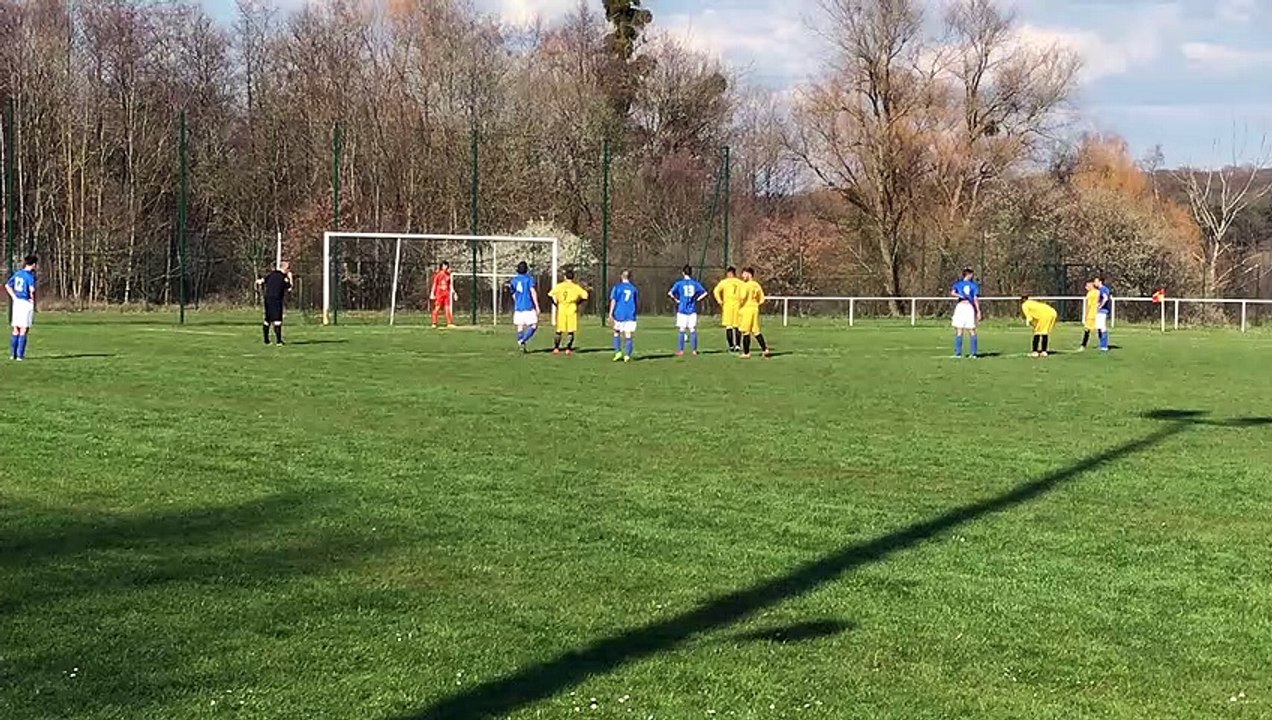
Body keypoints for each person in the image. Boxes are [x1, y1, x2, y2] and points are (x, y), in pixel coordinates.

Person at [668, 266, 708, 356]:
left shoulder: (679, 283)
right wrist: (697, 299)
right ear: (691, 273)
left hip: (682, 309)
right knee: (692, 329)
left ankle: (681, 350)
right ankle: (694, 350)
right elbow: (705, 292)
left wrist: (676, 299)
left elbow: (670, 293)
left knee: (682, 330)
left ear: (683, 273)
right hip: (692, 309)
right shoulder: (695, 283)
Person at [548, 268, 589, 355]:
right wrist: (577, 303)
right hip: (572, 308)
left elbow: (550, 294)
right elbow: (585, 296)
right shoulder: (576, 287)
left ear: (565, 277)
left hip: (561, 307)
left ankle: (556, 348)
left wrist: (555, 304)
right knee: (571, 330)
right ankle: (568, 349)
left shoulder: (560, 286)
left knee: (559, 330)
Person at [5, 255, 38, 361]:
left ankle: (12, 355)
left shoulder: (18, 273)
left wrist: (14, 297)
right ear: (33, 264)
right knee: (24, 329)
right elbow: (32, 290)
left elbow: (7, 285)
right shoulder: (30, 276)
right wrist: (33, 302)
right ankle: (20, 355)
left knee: (16, 329)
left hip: (17, 302)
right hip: (25, 303)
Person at [736, 267, 770, 359]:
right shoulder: (757, 285)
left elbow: (742, 297)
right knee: (756, 330)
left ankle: (746, 353)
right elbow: (762, 299)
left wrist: (739, 303)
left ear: (749, 274)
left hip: (746, 309)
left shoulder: (746, 285)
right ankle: (765, 349)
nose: (742, 276)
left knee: (745, 331)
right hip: (755, 309)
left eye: (744, 274)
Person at [255, 261, 292, 345]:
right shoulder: (283, 277)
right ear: (286, 268)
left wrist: (259, 281)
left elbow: (263, 280)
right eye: (288, 268)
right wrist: (290, 278)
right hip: (276, 299)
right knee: (277, 320)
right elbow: (289, 287)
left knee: (267, 318)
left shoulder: (272, 274)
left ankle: (266, 340)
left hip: (268, 299)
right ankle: (279, 341)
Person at [950, 267, 981, 358]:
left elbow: (953, 293)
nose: (972, 276)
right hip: (962, 307)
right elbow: (953, 293)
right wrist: (978, 310)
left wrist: (978, 310)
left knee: (970, 329)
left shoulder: (971, 285)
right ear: (968, 275)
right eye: (971, 275)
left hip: (967, 307)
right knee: (959, 329)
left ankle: (973, 353)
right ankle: (958, 353)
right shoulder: (962, 284)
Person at [510, 261, 540, 352]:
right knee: (534, 325)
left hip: (518, 307)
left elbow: (513, 293)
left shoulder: (513, 281)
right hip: (528, 306)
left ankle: (521, 341)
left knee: (520, 326)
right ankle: (523, 340)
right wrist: (537, 306)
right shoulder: (529, 279)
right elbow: (532, 292)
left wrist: (517, 302)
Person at [609, 269, 639, 362]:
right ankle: (627, 355)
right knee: (628, 334)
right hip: (630, 313)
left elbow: (613, 300)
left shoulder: (617, 287)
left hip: (619, 313)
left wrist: (610, 313)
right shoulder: (634, 288)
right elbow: (636, 302)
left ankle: (618, 352)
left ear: (621, 276)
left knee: (616, 332)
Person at [712, 267, 744, 352]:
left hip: (728, 305)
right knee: (736, 326)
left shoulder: (724, 282)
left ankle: (731, 345)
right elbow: (745, 292)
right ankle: (737, 345)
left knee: (729, 326)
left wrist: (720, 301)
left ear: (729, 273)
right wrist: (742, 301)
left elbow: (716, 291)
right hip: (737, 305)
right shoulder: (740, 283)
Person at [430, 261, 455, 328]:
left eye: (446, 266)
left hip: (446, 293)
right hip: (439, 293)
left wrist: (453, 292)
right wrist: (432, 293)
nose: (445, 267)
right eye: (444, 266)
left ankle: (449, 323)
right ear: (441, 266)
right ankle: (434, 323)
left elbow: (450, 285)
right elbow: (435, 284)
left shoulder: (448, 275)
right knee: (437, 308)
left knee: (447, 308)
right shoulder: (438, 274)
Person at [1079, 281, 1099, 351]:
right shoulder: (1098, 292)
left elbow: (1089, 305)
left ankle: (1083, 345)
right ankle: (1103, 345)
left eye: (1087, 285)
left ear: (1091, 286)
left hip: (1091, 314)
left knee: (1087, 330)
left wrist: (1086, 314)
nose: (1086, 287)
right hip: (1098, 313)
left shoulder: (1090, 294)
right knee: (1099, 329)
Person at [1094, 275, 1113, 352]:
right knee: (1099, 327)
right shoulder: (1101, 289)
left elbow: (1105, 298)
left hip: (1102, 311)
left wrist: (1100, 306)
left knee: (1102, 327)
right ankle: (1102, 345)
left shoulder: (1103, 289)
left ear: (1100, 282)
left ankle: (1104, 346)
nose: (1095, 283)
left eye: (1096, 281)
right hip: (1100, 311)